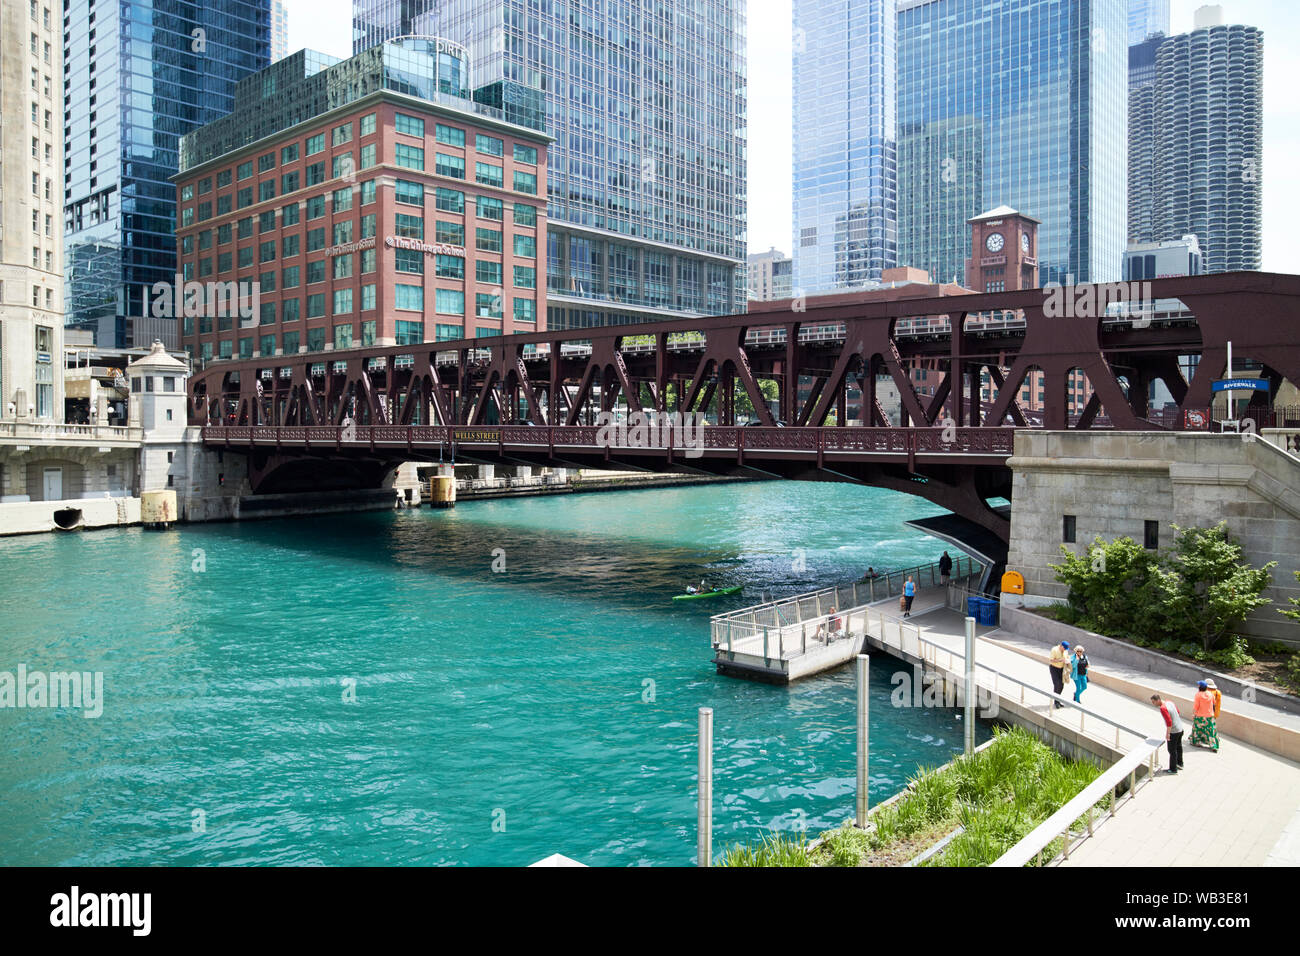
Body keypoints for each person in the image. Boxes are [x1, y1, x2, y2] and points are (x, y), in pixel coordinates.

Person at [1151, 694, 1185, 773]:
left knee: (1171, 750)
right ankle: (1180, 763)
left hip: (1174, 731)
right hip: (1180, 728)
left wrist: (1168, 734)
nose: (1153, 704)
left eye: (1153, 702)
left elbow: (1169, 722)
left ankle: (1173, 769)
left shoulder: (1163, 708)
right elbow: (1178, 712)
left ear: (1158, 700)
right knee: (1179, 747)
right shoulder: (1169, 702)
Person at [1190, 681, 1220, 752]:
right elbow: (1214, 703)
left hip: (1200, 715)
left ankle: (1196, 742)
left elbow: (1196, 706)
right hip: (1210, 716)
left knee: (1197, 729)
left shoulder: (1198, 695)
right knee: (1211, 731)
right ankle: (1213, 745)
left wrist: (1193, 714)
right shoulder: (1210, 694)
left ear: (1199, 687)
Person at [1049, 640, 1069, 709]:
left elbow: (1067, 658)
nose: (1065, 650)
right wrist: (1060, 660)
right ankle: (1056, 702)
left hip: (1061, 669)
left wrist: (1067, 661)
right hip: (1054, 668)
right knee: (1057, 684)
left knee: (1061, 685)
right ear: (1061, 646)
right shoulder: (1054, 650)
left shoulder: (1065, 651)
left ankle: (1058, 700)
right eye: (1064, 648)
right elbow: (1051, 660)